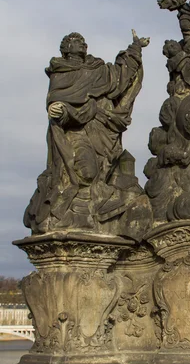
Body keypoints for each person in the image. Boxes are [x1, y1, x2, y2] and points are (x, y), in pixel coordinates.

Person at [24, 31, 151, 238]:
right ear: (66, 47)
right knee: (86, 171)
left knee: (99, 171)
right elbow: (57, 100)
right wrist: (58, 109)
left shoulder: (97, 68)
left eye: (83, 42)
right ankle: (74, 212)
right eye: (75, 42)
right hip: (74, 131)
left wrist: (135, 48)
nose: (81, 44)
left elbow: (120, 76)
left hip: (100, 128)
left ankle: (93, 210)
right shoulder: (61, 71)